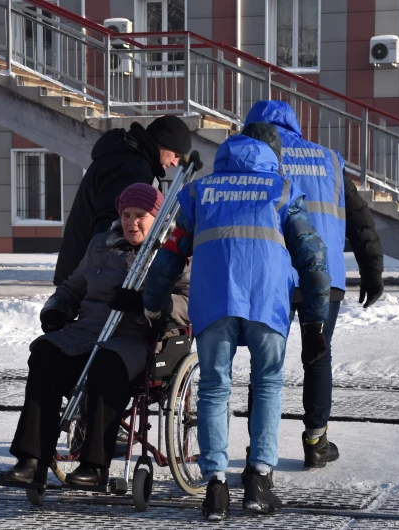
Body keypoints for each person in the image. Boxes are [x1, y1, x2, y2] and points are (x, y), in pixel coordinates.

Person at [142, 123, 332, 521]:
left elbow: (170, 253)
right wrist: (314, 326)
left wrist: (154, 304)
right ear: (271, 154)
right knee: (267, 385)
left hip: (214, 301)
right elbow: (314, 261)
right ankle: (258, 482)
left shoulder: (200, 191)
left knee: (214, 389)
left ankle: (215, 488)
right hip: (267, 301)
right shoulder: (281, 190)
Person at [3, 183, 190, 487]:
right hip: (87, 330)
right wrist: (57, 308)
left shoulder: (172, 251)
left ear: (157, 217)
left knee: (107, 363)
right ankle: (31, 459)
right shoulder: (102, 244)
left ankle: (95, 465)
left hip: (137, 336)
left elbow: (188, 301)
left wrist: (147, 303)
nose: (132, 222)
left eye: (141, 215)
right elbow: (73, 286)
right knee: (44, 354)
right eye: (127, 215)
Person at [244, 100, 384, 469]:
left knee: (265, 361)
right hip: (324, 278)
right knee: (318, 357)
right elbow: (360, 220)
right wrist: (372, 272)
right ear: (293, 125)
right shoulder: (329, 161)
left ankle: (259, 446)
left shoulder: (251, 158)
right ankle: (315, 442)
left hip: (271, 274)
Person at [54, 115, 193, 287]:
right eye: (176, 154)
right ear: (162, 143)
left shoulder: (126, 157)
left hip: (85, 269)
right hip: (94, 275)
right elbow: (110, 225)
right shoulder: (132, 167)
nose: (175, 163)